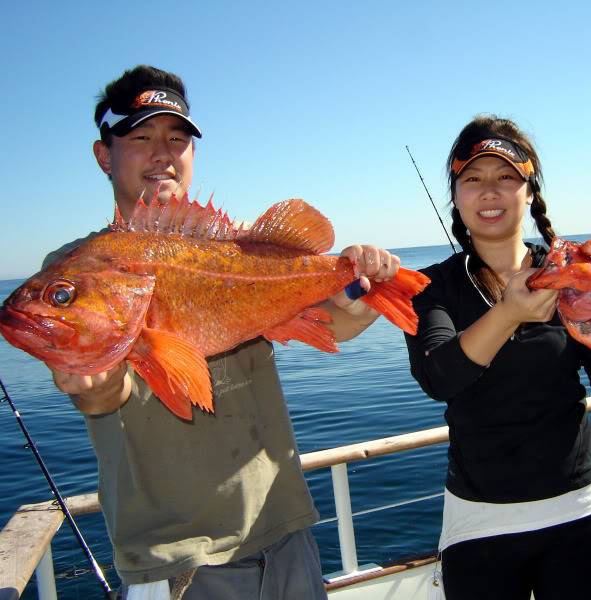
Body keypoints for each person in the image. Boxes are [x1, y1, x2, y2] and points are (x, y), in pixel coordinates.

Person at [45, 65, 401, 600]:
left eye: (177, 139)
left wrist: (364, 285)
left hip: (286, 529)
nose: (162, 152)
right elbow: (105, 393)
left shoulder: (237, 251)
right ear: (104, 156)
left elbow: (333, 322)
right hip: (179, 558)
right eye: (140, 138)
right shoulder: (75, 269)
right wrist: (94, 389)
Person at [404, 115, 591, 600]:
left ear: (529, 193)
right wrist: (508, 313)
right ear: (456, 196)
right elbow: (438, 376)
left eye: (506, 178)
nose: (490, 192)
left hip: (583, 510)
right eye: (473, 180)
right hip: (480, 522)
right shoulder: (430, 288)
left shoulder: (572, 274)